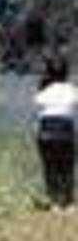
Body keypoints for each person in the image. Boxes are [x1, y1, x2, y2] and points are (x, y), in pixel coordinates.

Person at [34, 54, 77, 211]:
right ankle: (70, 202)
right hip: (66, 133)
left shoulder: (44, 92)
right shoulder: (72, 90)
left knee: (50, 168)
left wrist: (43, 83)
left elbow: (37, 102)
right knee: (67, 168)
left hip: (46, 134)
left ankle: (54, 202)